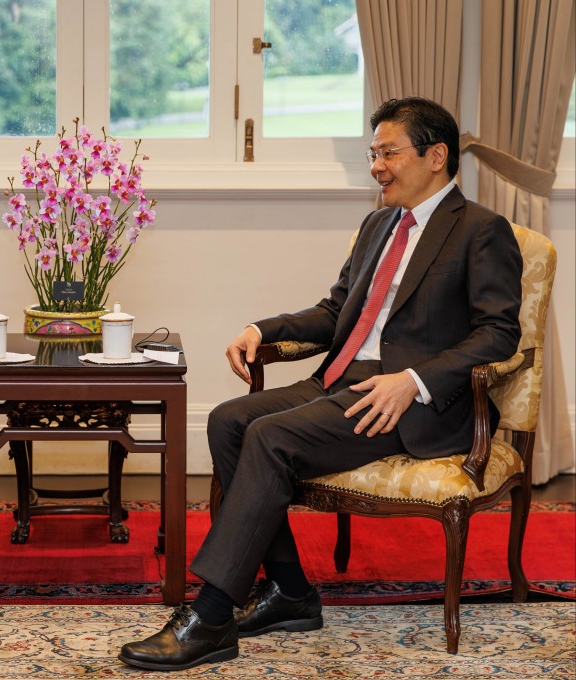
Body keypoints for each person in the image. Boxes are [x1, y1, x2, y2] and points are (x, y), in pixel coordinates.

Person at [118, 96, 523, 671]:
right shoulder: (378, 223)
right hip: (340, 381)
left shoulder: (482, 231)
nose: (377, 166)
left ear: (436, 156)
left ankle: (209, 615)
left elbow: (498, 334)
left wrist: (412, 381)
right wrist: (262, 328)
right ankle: (288, 591)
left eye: (389, 153)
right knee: (229, 420)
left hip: (405, 404)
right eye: (373, 153)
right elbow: (337, 313)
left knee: (269, 437)